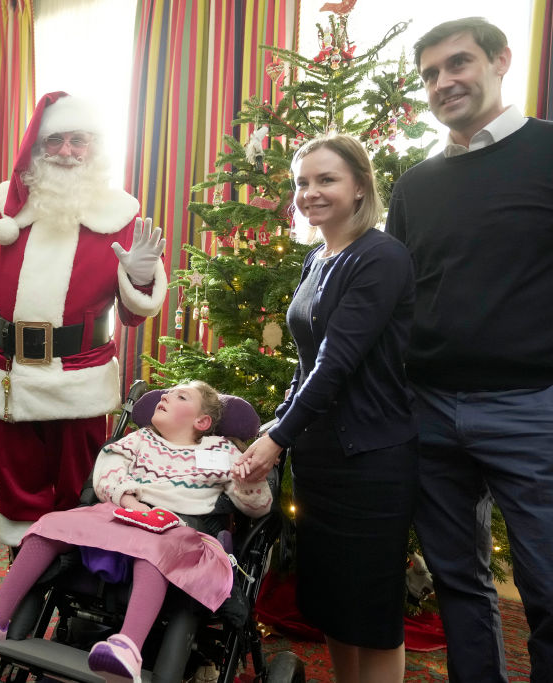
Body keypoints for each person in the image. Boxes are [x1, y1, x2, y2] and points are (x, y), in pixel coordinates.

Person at [386, 17, 553, 682]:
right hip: (428, 411)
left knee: (547, 590)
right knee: (458, 584)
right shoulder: (415, 185)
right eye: (429, 74)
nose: (443, 82)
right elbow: (399, 296)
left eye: (457, 64)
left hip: (532, 411)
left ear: (501, 60)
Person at [234, 134, 417, 683]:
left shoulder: (381, 256)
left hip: (372, 461)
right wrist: (281, 420)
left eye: (326, 180)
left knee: (373, 614)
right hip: (322, 459)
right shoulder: (319, 256)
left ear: (360, 186)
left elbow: (337, 363)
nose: (309, 193)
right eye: (301, 183)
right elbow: (308, 358)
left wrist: (276, 439)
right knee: (336, 603)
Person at [0, 381, 271, 681]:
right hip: (122, 513)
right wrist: (129, 500)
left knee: (154, 547)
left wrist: (249, 477)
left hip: (177, 528)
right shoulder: (140, 439)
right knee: (51, 526)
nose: (166, 395)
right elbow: (108, 468)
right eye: (167, 392)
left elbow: (256, 505)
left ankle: (127, 646)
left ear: (201, 422)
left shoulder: (220, 452)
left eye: (181, 396)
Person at [0, 91, 168, 548]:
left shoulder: (122, 215)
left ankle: (72, 595)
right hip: (9, 376)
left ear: (95, 149)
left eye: (78, 141)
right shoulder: (7, 207)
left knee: (76, 494)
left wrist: (139, 279)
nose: (65, 151)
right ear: (36, 149)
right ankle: (21, 583)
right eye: (55, 140)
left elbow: (136, 313)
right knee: (14, 493)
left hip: (79, 378)